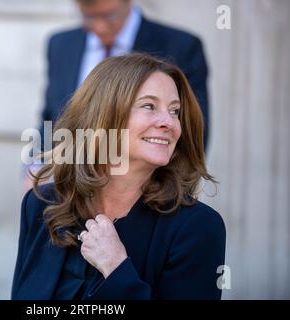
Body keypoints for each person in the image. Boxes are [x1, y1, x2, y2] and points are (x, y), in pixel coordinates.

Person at [12, 53, 226, 300]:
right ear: (104, 116)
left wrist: (116, 268)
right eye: (149, 106)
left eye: (175, 111)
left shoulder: (198, 227)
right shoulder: (42, 205)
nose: (170, 122)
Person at [40, 0, 210, 149]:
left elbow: (194, 130)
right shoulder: (60, 44)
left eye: (109, 16)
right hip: (70, 179)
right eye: (89, 17)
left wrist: (166, 184)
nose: (99, 27)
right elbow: (50, 117)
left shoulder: (181, 46)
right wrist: (36, 166)